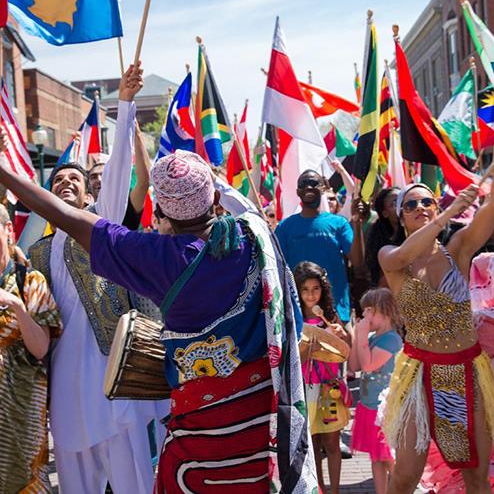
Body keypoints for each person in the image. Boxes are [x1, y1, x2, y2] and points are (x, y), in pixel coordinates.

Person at [0, 149, 318, 492]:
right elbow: (292, 323)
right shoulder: (255, 239)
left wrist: (3, 173)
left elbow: (63, 215)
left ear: (162, 210)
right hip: (261, 430)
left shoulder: (156, 258)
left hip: (197, 440)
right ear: (213, 198)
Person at [20, 64, 159, 493]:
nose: (64, 183)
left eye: (73, 179)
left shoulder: (104, 226)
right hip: (64, 385)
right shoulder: (36, 255)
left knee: (132, 478)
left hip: (113, 377)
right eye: (56, 179)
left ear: (88, 194)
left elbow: (121, 174)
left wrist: (127, 103)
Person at [378, 177, 494, 494]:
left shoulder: (457, 251)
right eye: (411, 204)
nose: (420, 207)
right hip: (419, 376)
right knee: (405, 475)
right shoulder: (391, 256)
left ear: (435, 207)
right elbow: (404, 256)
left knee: (475, 476)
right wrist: (448, 215)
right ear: (399, 216)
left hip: (467, 375)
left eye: (427, 202)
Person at [0, 203, 62, 492]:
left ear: (9, 231)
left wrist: (15, 305)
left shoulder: (30, 282)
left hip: (20, 414)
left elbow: (40, 349)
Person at [295, 261, 351, 494]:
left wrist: (342, 335)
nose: (311, 294)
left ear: (323, 289)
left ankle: (335, 491)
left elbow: (346, 349)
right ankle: (319, 489)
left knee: (331, 442)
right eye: (305, 289)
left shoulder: (329, 316)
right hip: (306, 389)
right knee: (313, 443)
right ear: (298, 291)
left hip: (329, 389)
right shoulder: (294, 319)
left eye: (315, 289)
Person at [276, 169, 354, 323]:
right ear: (298, 191)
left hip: (336, 312)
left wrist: (357, 223)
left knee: (344, 348)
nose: (309, 187)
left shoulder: (339, 223)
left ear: (323, 188)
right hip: (300, 314)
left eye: (314, 183)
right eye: (304, 184)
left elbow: (357, 261)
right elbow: (279, 270)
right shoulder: (284, 227)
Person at [348, 288, 403, 494]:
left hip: (384, 410)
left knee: (388, 458)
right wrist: (357, 337)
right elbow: (354, 365)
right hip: (368, 406)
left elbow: (369, 365)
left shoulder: (391, 339)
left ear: (385, 312)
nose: (365, 316)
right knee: (376, 458)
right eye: (364, 311)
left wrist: (362, 335)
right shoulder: (370, 337)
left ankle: (404, 489)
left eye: (370, 311)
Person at [88, 121, 151, 231]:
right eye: (93, 177)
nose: (99, 180)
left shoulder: (126, 207)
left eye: (104, 175)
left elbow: (143, 182)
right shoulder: (84, 213)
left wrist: (136, 134)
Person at [365, 188, 401, 287]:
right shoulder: (383, 247)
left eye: (403, 200)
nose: (401, 205)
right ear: (385, 213)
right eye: (394, 203)